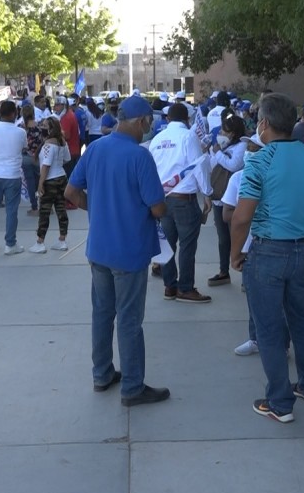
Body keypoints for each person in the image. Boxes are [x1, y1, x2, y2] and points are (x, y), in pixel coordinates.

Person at [230, 92, 304, 423]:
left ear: (263, 123)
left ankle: (279, 402)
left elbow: (242, 217)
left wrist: (235, 253)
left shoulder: (259, 160)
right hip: (300, 249)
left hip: (267, 251)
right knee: (300, 318)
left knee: (269, 328)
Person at [64, 95, 170, 406]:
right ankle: (133, 387)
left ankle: (102, 374)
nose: (149, 128)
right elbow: (158, 208)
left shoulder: (96, 147)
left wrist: (96, 209)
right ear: (141, 122)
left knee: (102, 313)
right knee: (128, 319)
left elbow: (72, 191)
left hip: (99, 249)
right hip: (130, 251)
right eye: (149, 123)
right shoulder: (140, 157)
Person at [148, 102, 213, 303]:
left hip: (162, 199)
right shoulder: (188, 136)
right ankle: (185, 288)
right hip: (184, 199)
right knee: (187, 245)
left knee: (167, 244)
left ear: (168, 119)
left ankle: (170, 286)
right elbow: (198, 166)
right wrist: (207, 193)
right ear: (187, 119)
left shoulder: (157, 139)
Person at [221, 133, 266, 355]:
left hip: (271, 244)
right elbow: (228, 214)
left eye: (255, 147)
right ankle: (256, 339)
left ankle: (279, 343)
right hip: (249, 247)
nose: (249, 151)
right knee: (254, 299)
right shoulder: (238, 178)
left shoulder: (277, 175)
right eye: (248, 146)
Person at [207, 110, 246, 287]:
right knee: (223, 239)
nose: (222, 134)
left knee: (240, 235)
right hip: (218, 198)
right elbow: (211, 166)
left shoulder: (241, 146)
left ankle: (247, 275)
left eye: (225, 131)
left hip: (234, 200)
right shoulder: (222, 147)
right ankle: (224, 271)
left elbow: (234, 165)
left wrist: (218, 153)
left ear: (234, 133)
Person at [0, 100, 27, 255]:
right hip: (12, 174)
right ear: (14, 113)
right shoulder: (20, 132)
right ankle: (10, 243)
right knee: (11, 210)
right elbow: (24, 148)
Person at [29, 118, 71, 254]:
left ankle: (40, 242)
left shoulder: (48, 145)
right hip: (61, 178)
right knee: (61, 210)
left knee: (45, 212)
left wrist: (40, 183)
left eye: (45, 126)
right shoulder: (62, 142)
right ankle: (62, 240)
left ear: (51, 128)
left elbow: (45, 166)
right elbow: (67, 159)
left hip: (50, 180)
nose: (42, 127)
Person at [19, 104, 42, 214]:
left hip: (26, 157)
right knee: (41, 181)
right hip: (38, 157)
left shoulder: (20, 127)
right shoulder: (39, 126)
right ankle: (43, 204)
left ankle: (34, 206)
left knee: (30, 182)